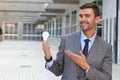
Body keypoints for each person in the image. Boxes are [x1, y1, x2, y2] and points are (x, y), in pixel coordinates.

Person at [42, 2, 112, 80]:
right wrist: (48, 58)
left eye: (87, 16)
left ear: (97, 19)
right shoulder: (66, 40)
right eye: (81, 16)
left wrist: (86, 67)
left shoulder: (106, 47)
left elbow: (107, 77)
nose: (82, 19)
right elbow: (58, 70)